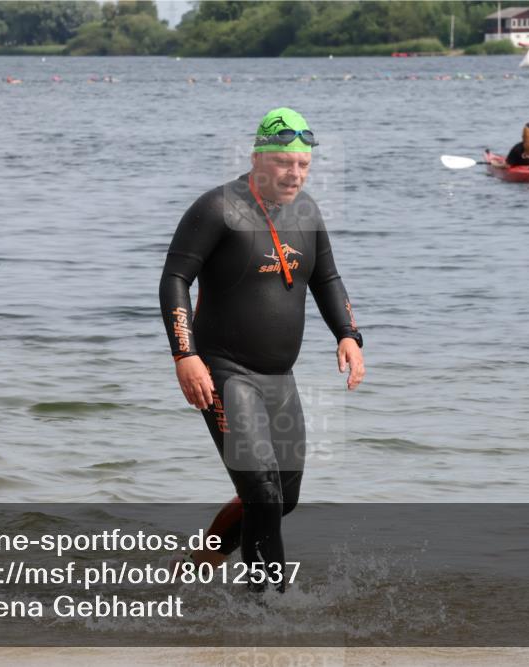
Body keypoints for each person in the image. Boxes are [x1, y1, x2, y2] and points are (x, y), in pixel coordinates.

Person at [159, 108, 365, 592]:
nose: (294, 173)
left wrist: (350, 335)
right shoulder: (217, 209)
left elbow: (327, 278)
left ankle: (200, 562)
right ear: (255, 158)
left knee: (283, 497)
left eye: (304, 164)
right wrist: (184, 355)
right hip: (223, 373)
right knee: (262, 494)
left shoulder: (308, 213)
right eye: (282, 161)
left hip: (280, 378)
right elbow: (174, 280)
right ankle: (269, 611)